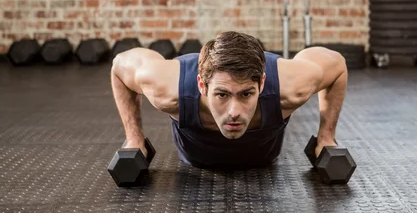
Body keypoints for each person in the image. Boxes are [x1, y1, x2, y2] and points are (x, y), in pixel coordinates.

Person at [110, 30, 348, 169]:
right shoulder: (170, 91)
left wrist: (326, 138)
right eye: (222, 95)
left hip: (265, 159)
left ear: (261, 84)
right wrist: (134, 138)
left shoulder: (291, 88)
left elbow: (336, 65)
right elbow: (120, 66)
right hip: (194, 158)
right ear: (202, 85)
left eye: (246, 94)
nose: (234, 111)